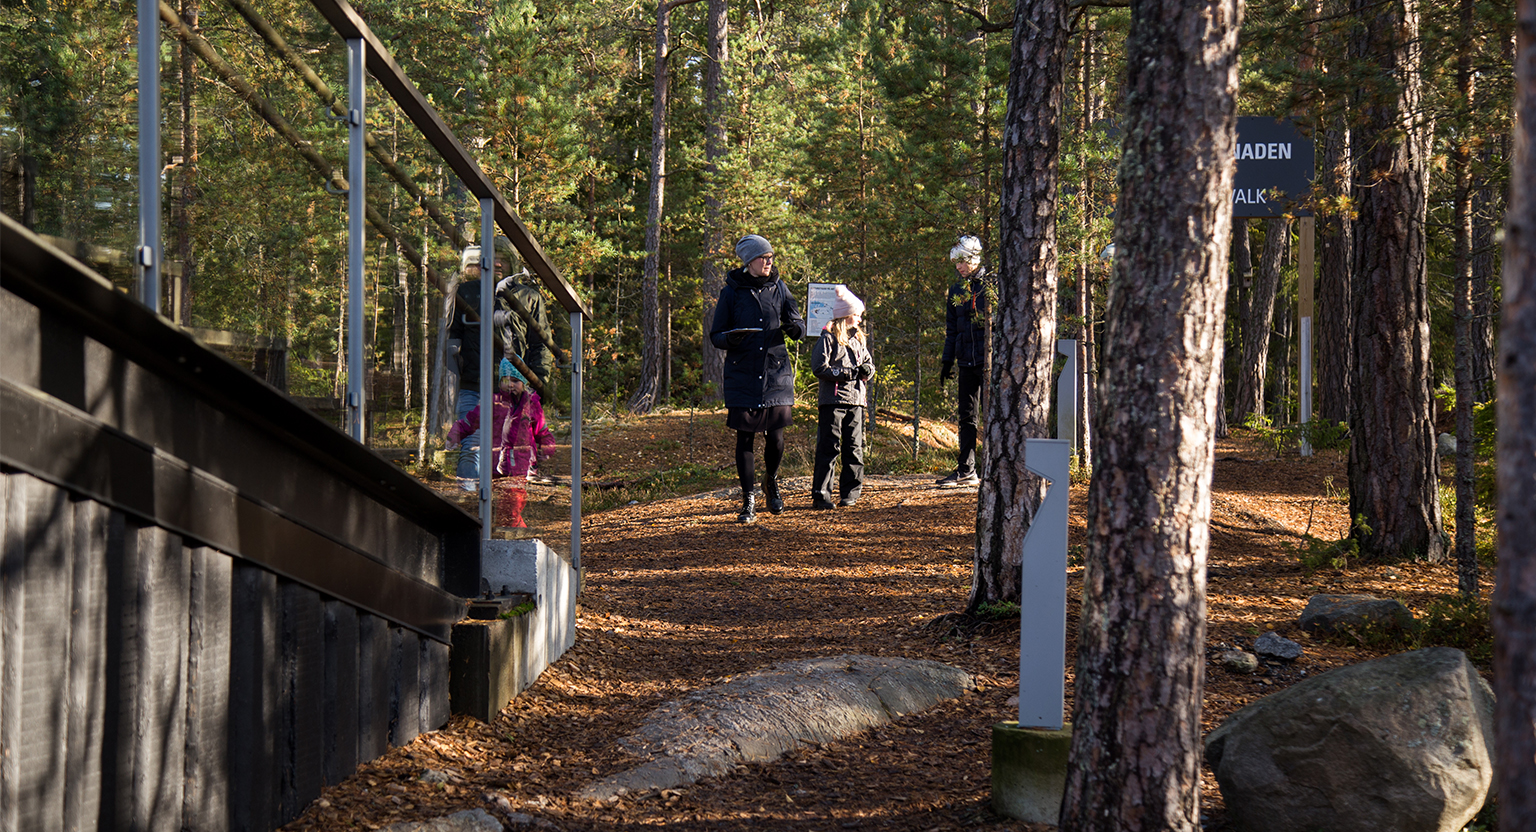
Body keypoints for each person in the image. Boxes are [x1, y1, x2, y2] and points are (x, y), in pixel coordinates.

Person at [708, 234, 806, 523]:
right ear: (749, 261)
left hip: (776, 374)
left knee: (776, 438)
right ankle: (748, 499)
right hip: (743, 373)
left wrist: (794, 329)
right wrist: (731, 338)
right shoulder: (731, 292)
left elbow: (798, 322)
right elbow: (716, 335)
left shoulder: (780, 287)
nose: (769, 262)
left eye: (771, 257)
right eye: (764, 258)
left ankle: (771, 481)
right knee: (745, 438)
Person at [447, 359, 556, 526]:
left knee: (512, 504)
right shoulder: (493, 403)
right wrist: (455, 435)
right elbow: (470, 421)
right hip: (494, 465)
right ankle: (512, 534)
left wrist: (547, 448)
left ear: (524, 383)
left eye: (515, 381)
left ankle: (515, 535)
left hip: (520, 466)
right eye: (506, 380)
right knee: (497, 507)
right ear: (499, 382)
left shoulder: (532, 404)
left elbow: (542, 430)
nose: (510, 385)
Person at [810, 286, 875, 510]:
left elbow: (868, 365)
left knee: (854, 448)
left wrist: (868, 369)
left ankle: (851, 493)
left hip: (856, 401)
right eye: (856, 314)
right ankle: (821, 495)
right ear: (845, 315)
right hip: (833, 401)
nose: (859, 319)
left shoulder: (859, 339)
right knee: (829, 447)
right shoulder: (827, 338)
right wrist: (845, 373)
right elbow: (818, 367)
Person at [937, 234, 989, 488]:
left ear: (973, 259)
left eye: (962, 261)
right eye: (955, 262)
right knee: (968, 417)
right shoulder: (956, 290)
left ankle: (995, 467)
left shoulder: (991, 285)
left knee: (995, 417)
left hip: (990, 362)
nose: (958, 266)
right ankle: (967, 470)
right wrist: (947, 361)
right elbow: (952, 329)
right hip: (966, 362)